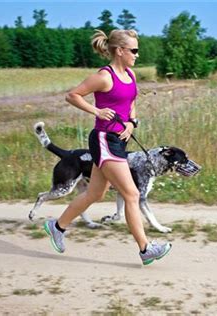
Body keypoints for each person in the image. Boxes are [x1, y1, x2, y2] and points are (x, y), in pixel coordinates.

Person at [44, 29, 171, 266]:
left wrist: (132, 123)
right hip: (104, 139)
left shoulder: (130, 75)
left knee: (96, 193)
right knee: (132, 194)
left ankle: (57, 226)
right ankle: (146, 249)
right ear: (120, 51)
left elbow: (131, 102)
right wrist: (97, 111)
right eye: (133, 50)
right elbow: (72, 96)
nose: (137, 54)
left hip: (119, 140)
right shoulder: (105, 77)